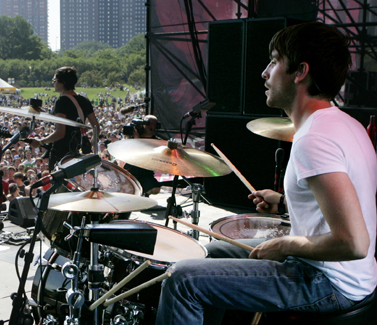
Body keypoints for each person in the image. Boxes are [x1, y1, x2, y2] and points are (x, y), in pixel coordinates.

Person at [156, 22, 377, 324]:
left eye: (274, 61)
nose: (264, 72)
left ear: (300, 72)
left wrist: (283, 244)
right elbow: (345, 203)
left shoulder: (315, 138)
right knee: (212, 252)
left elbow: (353, 243)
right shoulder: (346, 124)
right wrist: (284, 202)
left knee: (182, 279)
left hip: (327, 281)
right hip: (348, 274)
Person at [29, 66, 100, 171]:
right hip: (76, 152)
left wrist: (41, 142)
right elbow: (96, 127)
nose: (53, 83)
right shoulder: (84, 100)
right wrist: (90, 144)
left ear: (63, 82)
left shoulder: (61, 101)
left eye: (55, 80)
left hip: (61, 154)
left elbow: (60, 133)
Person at [121, 115, 162, 195]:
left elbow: (149, 155)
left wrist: (138, 142)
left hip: (145, 174)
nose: (150, 126)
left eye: (152, 124)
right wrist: (129, 137)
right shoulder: (134, 136)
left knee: (155, 189)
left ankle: (143, 193)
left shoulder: (157, 142)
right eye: (147, 123)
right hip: (130, 172)